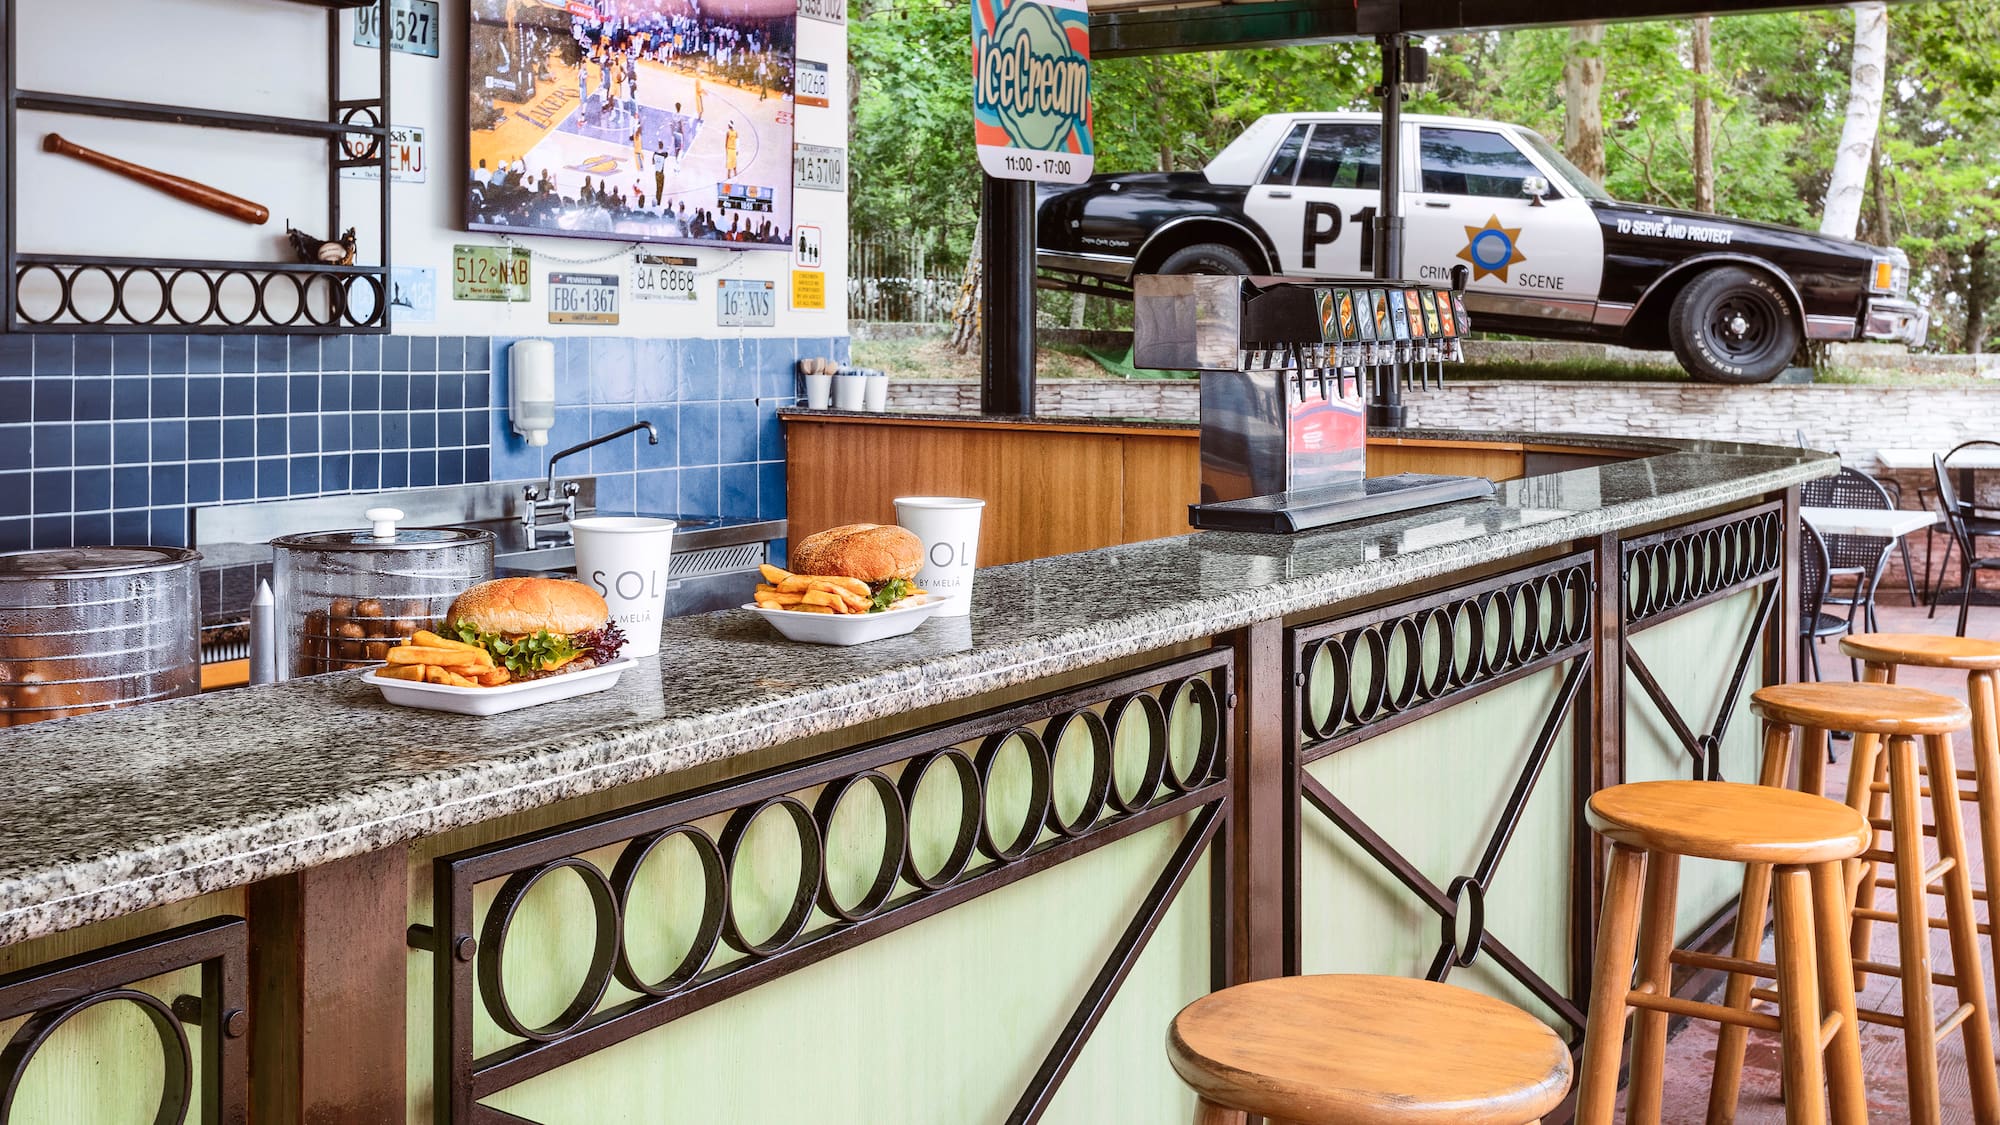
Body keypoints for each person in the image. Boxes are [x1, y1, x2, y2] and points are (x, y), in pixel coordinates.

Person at [652, 142, 668, 207]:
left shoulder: (655, 154)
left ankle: (656, 201)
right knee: (660, 189)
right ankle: (658, 203)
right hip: (661, 173)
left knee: (657, 188)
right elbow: (667, 154)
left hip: (656, 173)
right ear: (662, 146)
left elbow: (653, 162)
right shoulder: (664, 154)